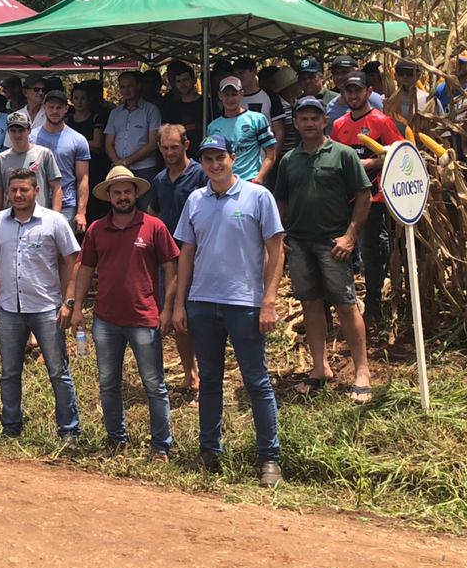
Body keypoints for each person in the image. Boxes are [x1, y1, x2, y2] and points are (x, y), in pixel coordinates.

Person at [171, 134, 285, 487]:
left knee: (257, 382)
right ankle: (210, 452)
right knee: (209, 382)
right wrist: (180, 303)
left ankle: (270, 459)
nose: (215, 164)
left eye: (220, 157)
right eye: (208, 159)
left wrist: (269, 301)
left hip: (245, 304)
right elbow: (186, 254)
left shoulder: (258, 196)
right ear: (201, 163)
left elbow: (276, 251)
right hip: (203, 303)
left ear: (232, 158)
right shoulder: (195, 200)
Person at [69, 165, 178, 460]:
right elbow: (85, 268)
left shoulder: (153, 226)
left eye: (127, 191)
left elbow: (172, 267)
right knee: (108, 383)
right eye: (116, 192)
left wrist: (168, 308)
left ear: (135, 193)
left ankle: (161, 446)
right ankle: (116, 440)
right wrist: (77, 307)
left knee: (154, 385)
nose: (122, 196)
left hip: (144, 317)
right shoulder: (96, 229)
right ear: (109, 197)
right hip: (105, 319)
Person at [274, 97, 374, 403]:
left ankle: (363, 371)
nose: (308, 123)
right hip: (300, 243)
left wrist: (350, 236)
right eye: (302, 118)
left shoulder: (343, 155)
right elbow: (281, 200)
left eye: (314, 118)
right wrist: (282, 233)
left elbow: (364, 194)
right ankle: (319, 368)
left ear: (324, 121)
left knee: (346, 304)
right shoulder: (289, 160)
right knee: (310, 304)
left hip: (334, 243)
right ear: (296, 123)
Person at [0, 169, 82, 446]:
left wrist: (68, 302)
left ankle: (69, 430)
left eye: (24, 190)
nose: (17, 195)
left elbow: (72, 261)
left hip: (47, 308)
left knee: (58, 372)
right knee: (9, 372)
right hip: (10, 309)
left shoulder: (54, 222)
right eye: (13, 190)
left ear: (36, 191)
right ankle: (11, 425)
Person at [330, 71, 402, 328]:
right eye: (348, 91)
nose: (353, 95)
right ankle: (347, 304)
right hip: (347, 199)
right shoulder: (339, 125)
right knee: (345, 252)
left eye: (358, 90)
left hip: (374, 196)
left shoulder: (381, 121)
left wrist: (366, 162)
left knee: (373, 251)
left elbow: (398, 153)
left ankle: (373, 304)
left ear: (369, 92)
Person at [151, 124, 207, 397]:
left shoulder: (200, 174)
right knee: (177, 315)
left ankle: (208, 375)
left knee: (202, 318)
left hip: (200, 256)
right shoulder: (160, 180)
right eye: (165, 147)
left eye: (175, 147)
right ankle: (190, 375)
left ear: (186, 145)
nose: (170, 152)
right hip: (169, 259)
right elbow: (154, 213)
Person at [33, 89, 91, 233]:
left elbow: (83, 178)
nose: (54, 111)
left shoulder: (78, 140)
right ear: (44, 107)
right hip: (36, 203)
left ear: (66, 109)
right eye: (51, 107)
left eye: (59, 107)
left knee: (64, 253)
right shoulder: (31, 138)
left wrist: (81, 212)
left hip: (67, 205)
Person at [207, 76, 276, 184]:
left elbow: (271, 153)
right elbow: (210, 158)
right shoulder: (213, 127)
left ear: (241, 94)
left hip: (250, 181)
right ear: (220, 95)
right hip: (224, 184)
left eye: (234, 94)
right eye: (226, 95)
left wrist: (260, 177)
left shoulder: (257, 119)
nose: (230, 99)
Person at [0, 110, 61, 213]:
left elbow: (56, 187)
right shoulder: (2, 158)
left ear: (29, 130)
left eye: (21, 130)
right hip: (11, 217)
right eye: (13, 131)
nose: (17, 135)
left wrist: (56, 217)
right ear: (8, 132)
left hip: (40, 216)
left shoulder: (44, 154)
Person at [104, 71, 161, 192]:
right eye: (122, 87)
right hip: (119, 169)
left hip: (145, 168)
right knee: (122, 206)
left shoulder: (151, 110)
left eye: (129, 86)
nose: (126, 90)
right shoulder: (115, 113)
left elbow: (152, 144)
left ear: (138, 86)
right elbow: (108, 143)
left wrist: (126, 162)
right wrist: (119, 164)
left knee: (147, 207)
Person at [69, 83, 110, 222]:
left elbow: (97, 143)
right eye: (76, 98)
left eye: (83, 98)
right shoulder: (67, 119)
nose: (79, 102)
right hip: (72, 168)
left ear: (88, 100)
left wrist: (73, 144)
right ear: (72, 100)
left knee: (94, 205)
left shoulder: (96, 117)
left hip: (95, 167)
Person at [233, 57, 288, 147]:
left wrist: (273, 157)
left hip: (265, 154)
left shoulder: (271, 97)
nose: (238, 77)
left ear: (254, 72)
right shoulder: (232, 99)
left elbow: (279, 131)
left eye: (241, 73)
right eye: (235, 74)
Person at [160, 62, 205, 155]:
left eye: (185, 80)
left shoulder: (206, 103)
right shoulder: (170, 107)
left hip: (203, 154)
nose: (182, 84)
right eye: (178, 81)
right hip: (179, 157)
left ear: (194, 80)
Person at [388, 57, 443, 130]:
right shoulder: (388, 101)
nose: (405, 76)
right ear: (395, 75)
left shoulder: (428, 100)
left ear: (418, 76)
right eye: (401, 72)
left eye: (409, 73)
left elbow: (442, 129)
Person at [326, 56, 384, 125]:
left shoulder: (374, 99)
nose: (340, 77)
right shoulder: (331, 107)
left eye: (344, 72)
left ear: (356, 72)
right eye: (335, 73)